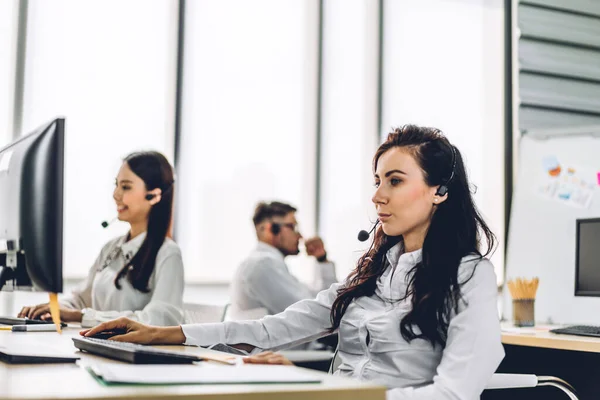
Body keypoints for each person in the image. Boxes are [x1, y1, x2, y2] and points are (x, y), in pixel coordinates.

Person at [82, 125, 504, 399]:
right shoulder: (376, 272)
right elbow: (273, 328)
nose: (377, 196)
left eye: (395, 181)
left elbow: (454, 393)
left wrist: (321, 390)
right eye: (377, 182)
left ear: (440, 192)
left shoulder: (470, 277)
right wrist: (166, 333)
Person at [19, 151, 184, 328]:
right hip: (97, 347)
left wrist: (80, 316)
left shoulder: (167, 253)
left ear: (153, 196)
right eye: (116, 185)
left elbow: (160, 320)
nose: (116, 194)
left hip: (136, 353)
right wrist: (54, 308)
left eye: (126, 187)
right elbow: (81, 298)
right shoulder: (111, 248)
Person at [228, 201, 336, 318]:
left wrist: (322, 259)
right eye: (292, 227)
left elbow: (317, 301)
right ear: (270, 229)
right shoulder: (262, 265)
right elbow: (311, 314)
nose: (300, 236)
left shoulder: (268, 264)